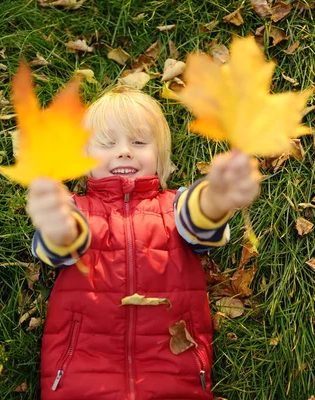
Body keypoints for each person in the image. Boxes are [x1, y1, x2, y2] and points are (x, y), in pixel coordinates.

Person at [27, 86, 260, 400]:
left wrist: (215, 199)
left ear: (160, 157)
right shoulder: (77, 210)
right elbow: (61, 246)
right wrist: (56, 226)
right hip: (80, 376)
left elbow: (199, 223)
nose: (124, 151)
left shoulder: (175, 207)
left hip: (173, 375)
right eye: (107, 143)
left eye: (138, 142)